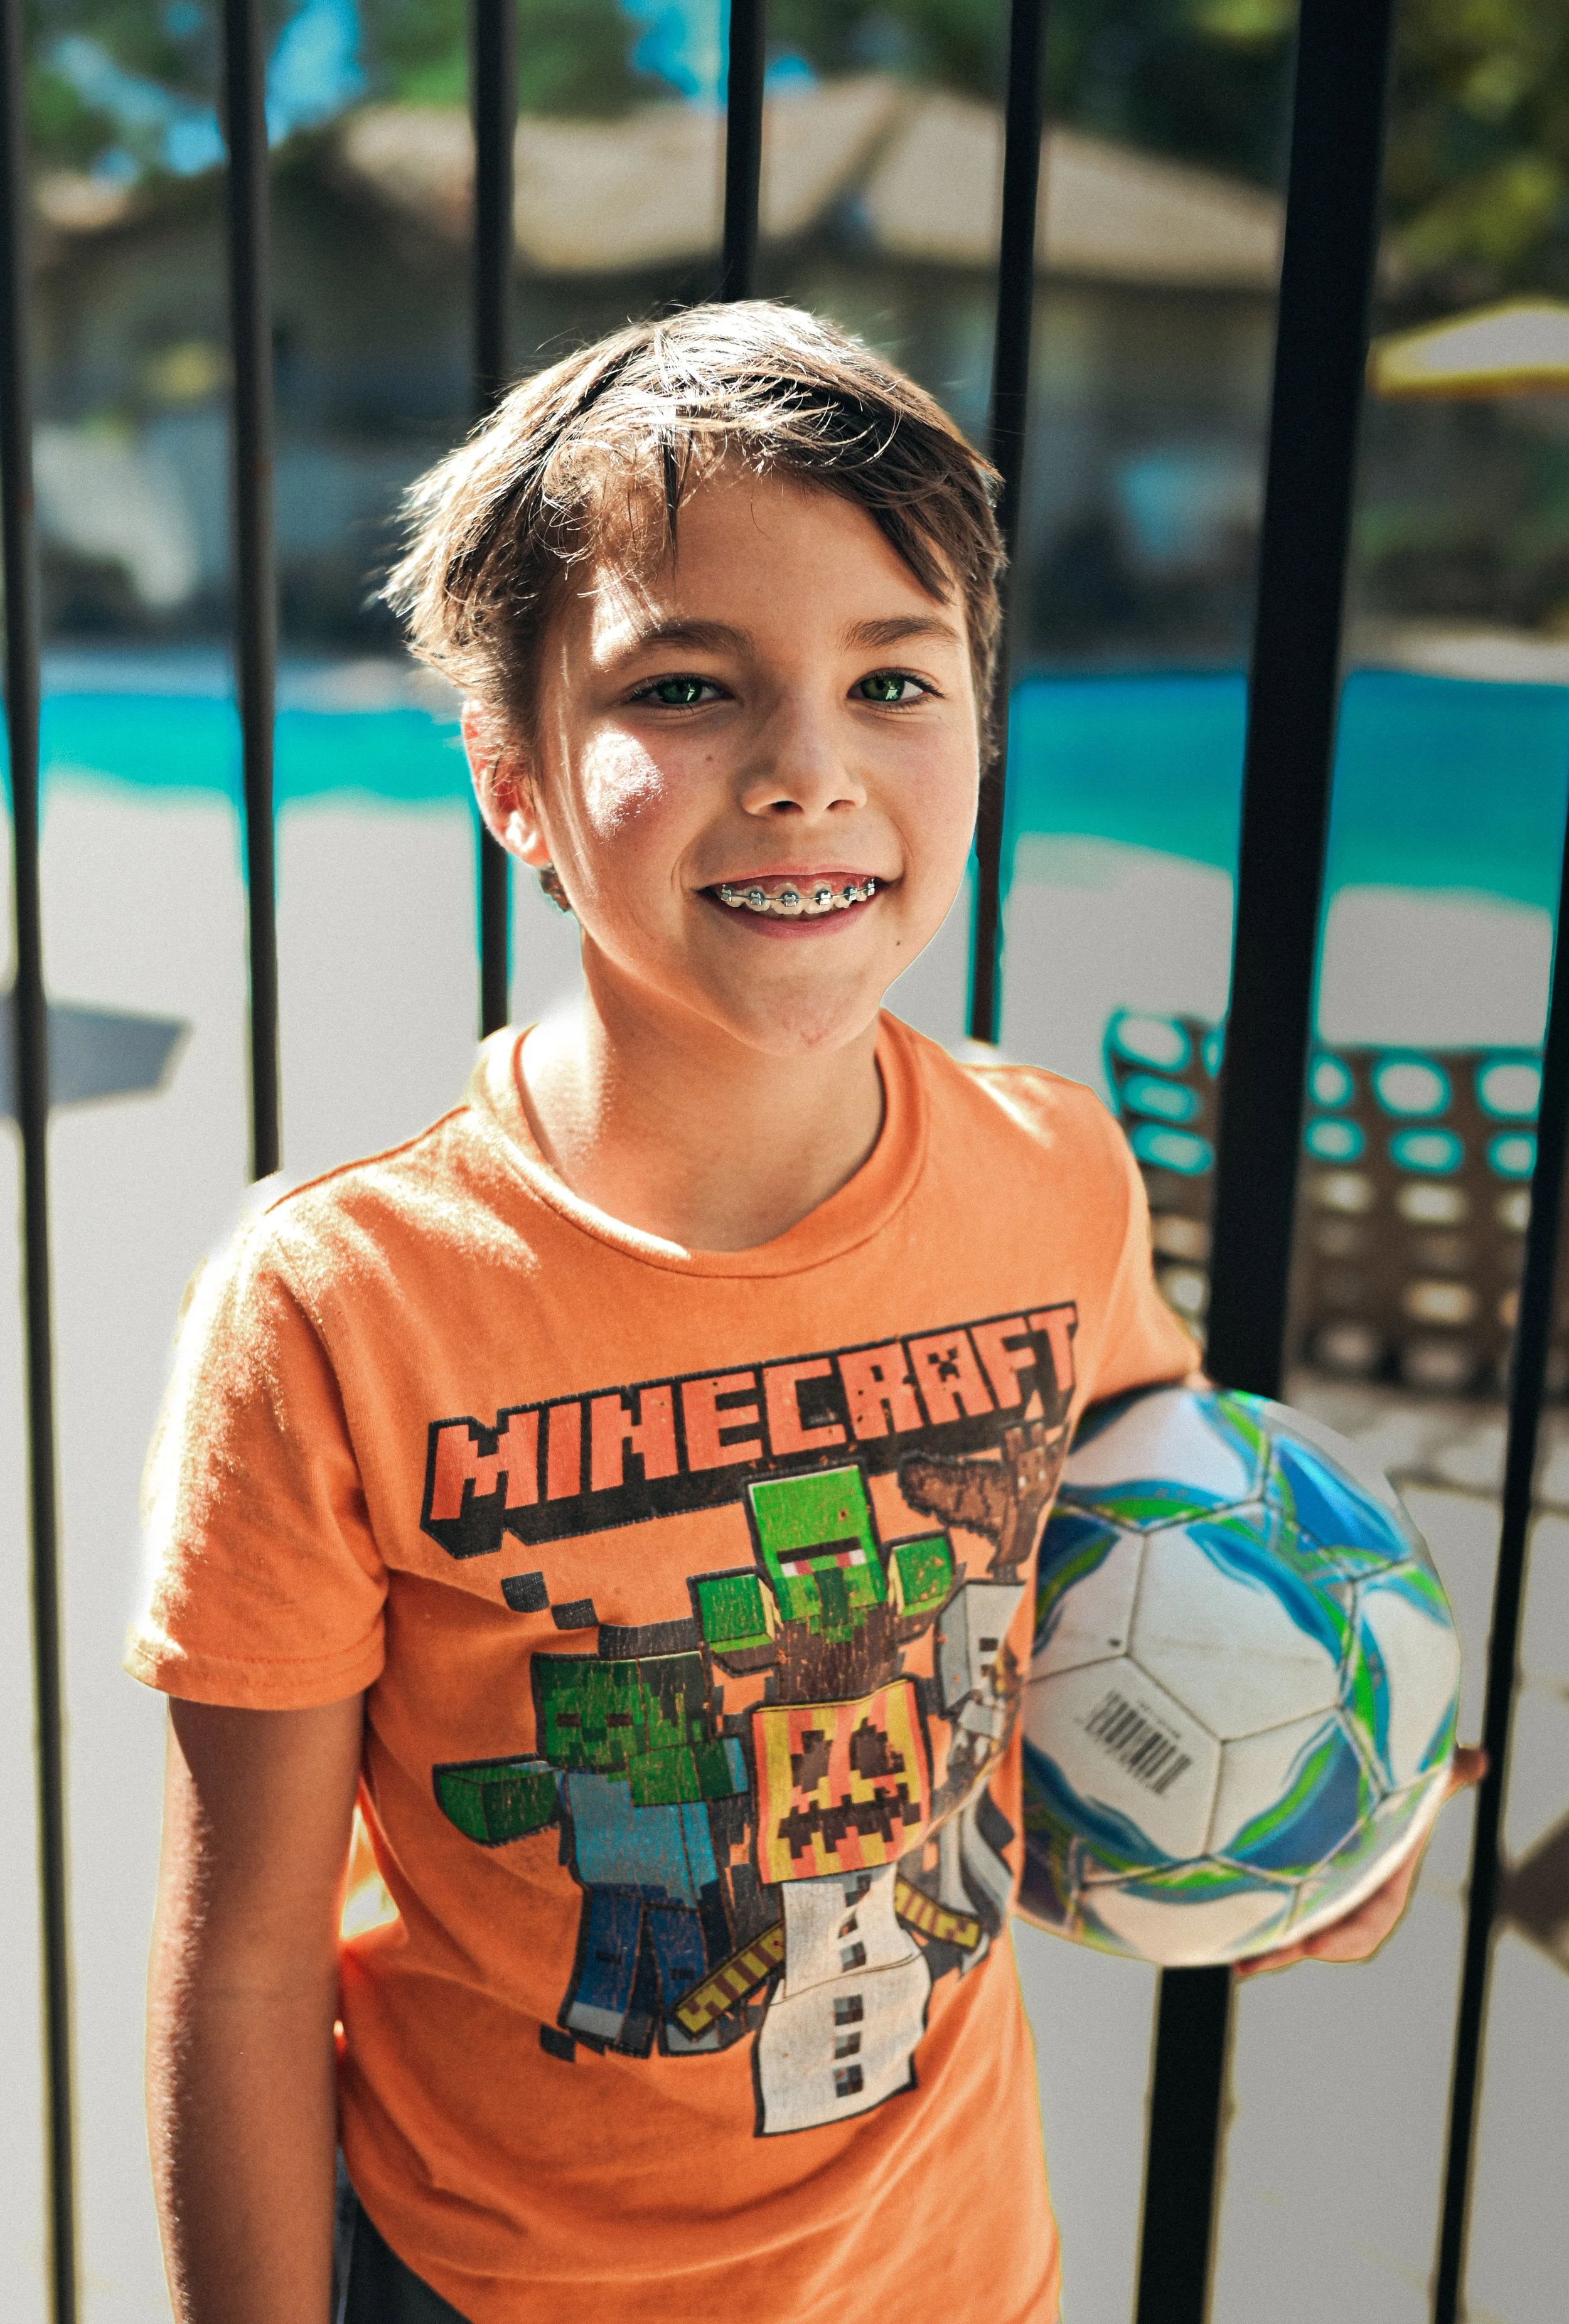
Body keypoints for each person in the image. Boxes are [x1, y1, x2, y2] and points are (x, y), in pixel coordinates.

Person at [128, 301, 1473, 2324]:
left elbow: (1150, 1556)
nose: (805, 772)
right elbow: (241, 1971)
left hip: (949, 2267)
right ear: (511, 778)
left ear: (980, 725)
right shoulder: (341, 1306)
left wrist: (1300, 1815)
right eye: (687, 686)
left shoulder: (1051, 1170)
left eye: (894, 679)